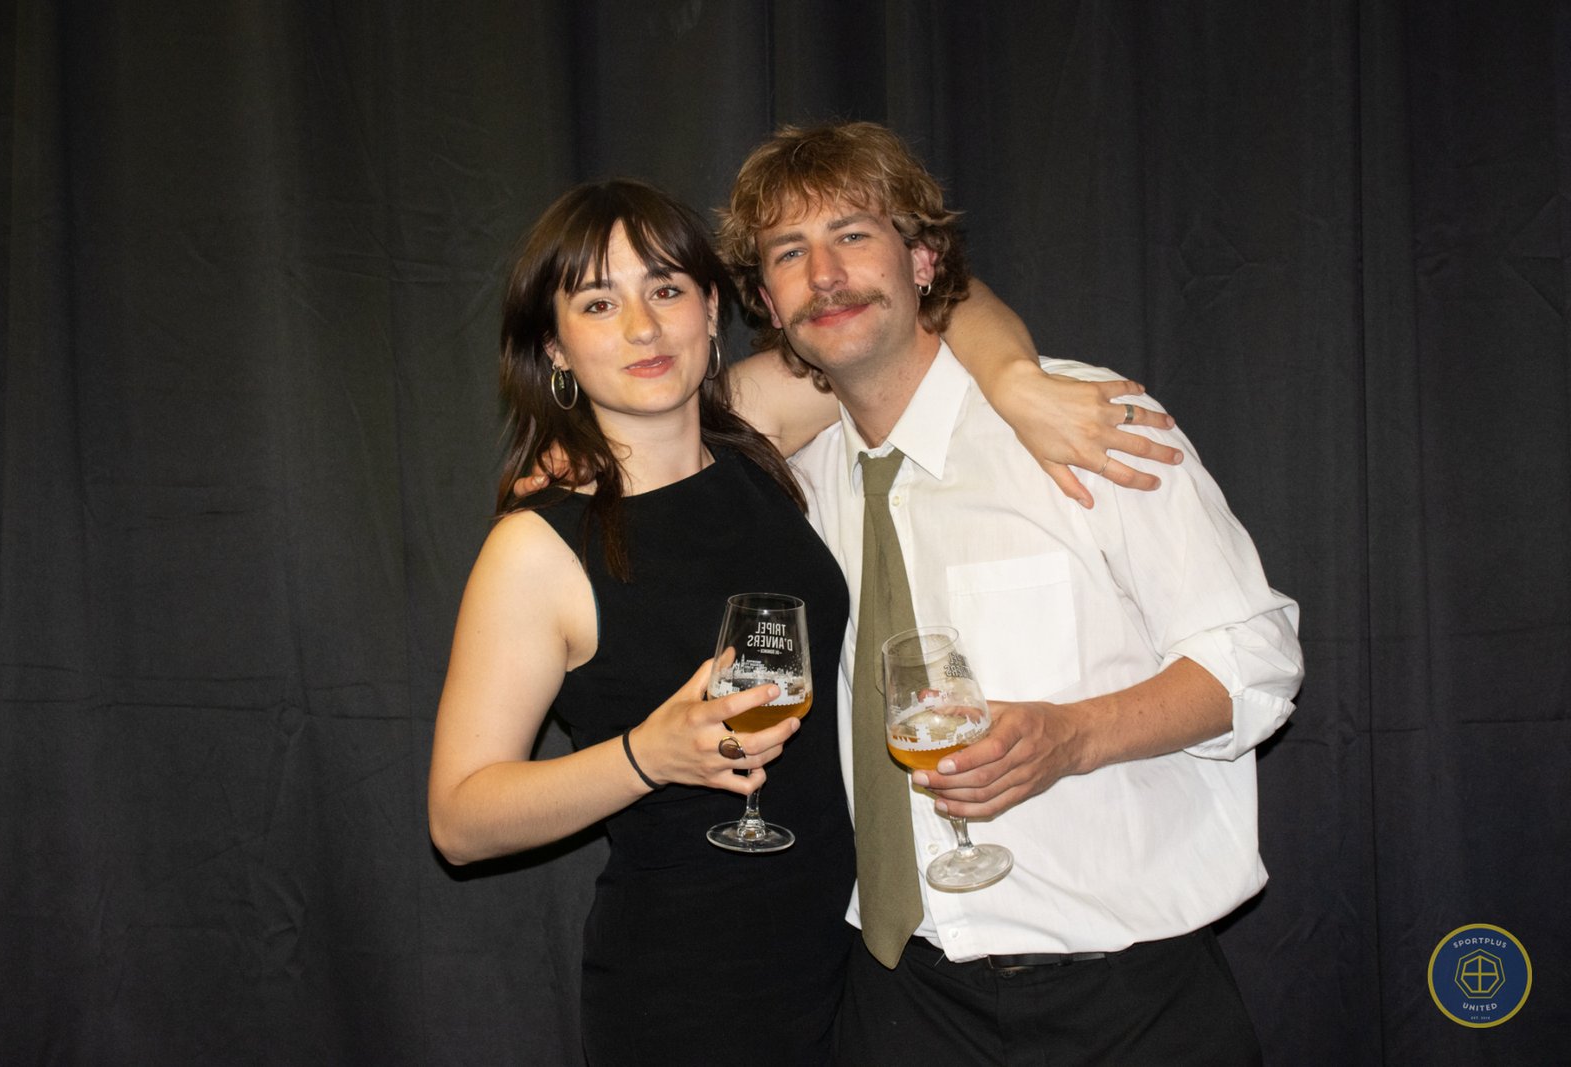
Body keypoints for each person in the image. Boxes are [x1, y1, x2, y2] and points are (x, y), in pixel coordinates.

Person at [426, 179, 1174, 1065]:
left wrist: (1017, 383)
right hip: (692, 991)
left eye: (665, 289)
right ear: (555, 346)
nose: (642, 327)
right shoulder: (538, 548)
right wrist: (646, 755)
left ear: (712, 309)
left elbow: (929, 302)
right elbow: (461, 820)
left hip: (856, 969)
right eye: (598, 303)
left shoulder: (755, 431)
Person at [718, 122, 1305, 1064]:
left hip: (1127, 1000)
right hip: (901, 998)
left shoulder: (1084, 422)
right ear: (764, 298)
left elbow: (1256, 660)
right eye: (789, 253)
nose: (824, 273)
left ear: (923, 259)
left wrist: (1074, 736)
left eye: (853, 234)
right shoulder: (792, 486)